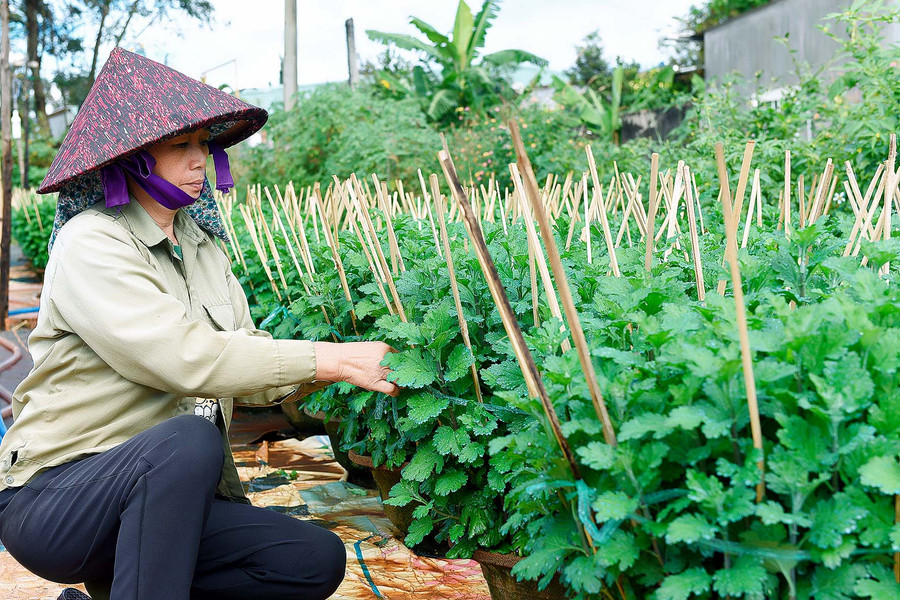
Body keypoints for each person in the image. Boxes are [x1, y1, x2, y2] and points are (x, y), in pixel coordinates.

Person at [0, 48, 397, 600]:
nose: (199, 162)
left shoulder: (201, 242)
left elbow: (248, 354)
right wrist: (331, 356)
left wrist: (338, 372)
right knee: (188, 442)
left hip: (161, 499)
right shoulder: (91, 241)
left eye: (203, 146)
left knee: (311, 558)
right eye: (180, 146)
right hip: (59, 499)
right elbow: (187, 358)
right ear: (134, 157)